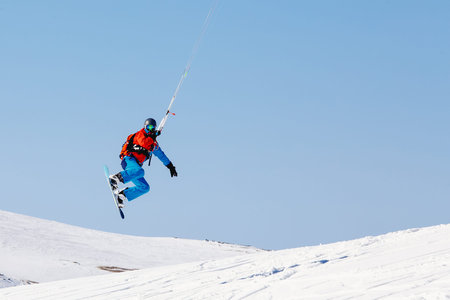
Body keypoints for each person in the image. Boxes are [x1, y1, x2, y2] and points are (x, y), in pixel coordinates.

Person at [109, 118, 177, 207]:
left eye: (152, 127)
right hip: (129, 159)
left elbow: (161, 155)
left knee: (145, 187)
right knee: (140, 171)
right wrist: (153, 137)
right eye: (149, 127)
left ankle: (122, 195)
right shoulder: (140, 134)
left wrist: (170, 166)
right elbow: (143, 143)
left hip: (134, 169)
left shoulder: (153, 144)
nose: (150, 129)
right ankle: (116, 177)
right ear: (145, 127)